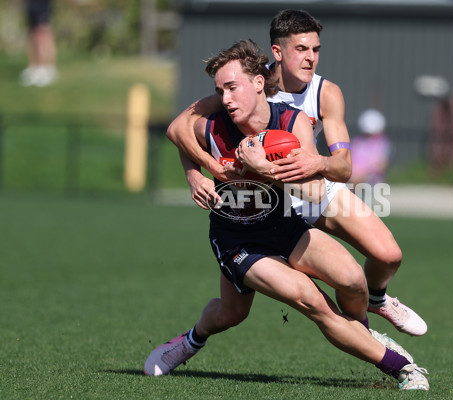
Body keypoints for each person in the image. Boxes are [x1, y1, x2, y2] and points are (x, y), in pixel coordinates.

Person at [144, 39, 429, 391]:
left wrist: (264, 168)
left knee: (354, 278)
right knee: (280, 306)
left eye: (232, 88)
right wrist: (197, 173)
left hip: (283, 224)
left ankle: (368, 335)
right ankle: (404, 368)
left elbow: (311, 191)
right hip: (237, 240)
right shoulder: (215, 126)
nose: (226, 98)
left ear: (258, 83)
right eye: (220, 91)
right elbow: (178, 132)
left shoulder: (292, 124)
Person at [349, 109, 392, 187]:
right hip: (354, 175)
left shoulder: (383, 142)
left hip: (373, 177)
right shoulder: (357, 141)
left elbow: (382, 164)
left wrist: (363, 174)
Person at [20, 0, 58, 87]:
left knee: (42, 33)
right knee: (32, 33)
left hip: (42, 4)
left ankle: (45, 68)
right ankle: (33, 68)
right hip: (31, 3)